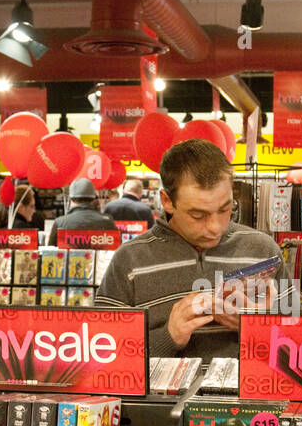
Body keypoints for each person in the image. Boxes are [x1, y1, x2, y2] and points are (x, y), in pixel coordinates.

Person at [96, 138, 289, 358]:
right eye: (198, 215)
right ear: (167, 201)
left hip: (250, 391)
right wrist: (168, 336)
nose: (215, 227)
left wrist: (258, 326)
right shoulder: (129, 260)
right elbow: (103, 354)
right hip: (161, 392)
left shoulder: (264, 250)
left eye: (226, 209)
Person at [48, 179, 118, 246]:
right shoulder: (107, 221)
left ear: (71, 199)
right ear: (93, 198)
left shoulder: (60, 222)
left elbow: (50, 252)